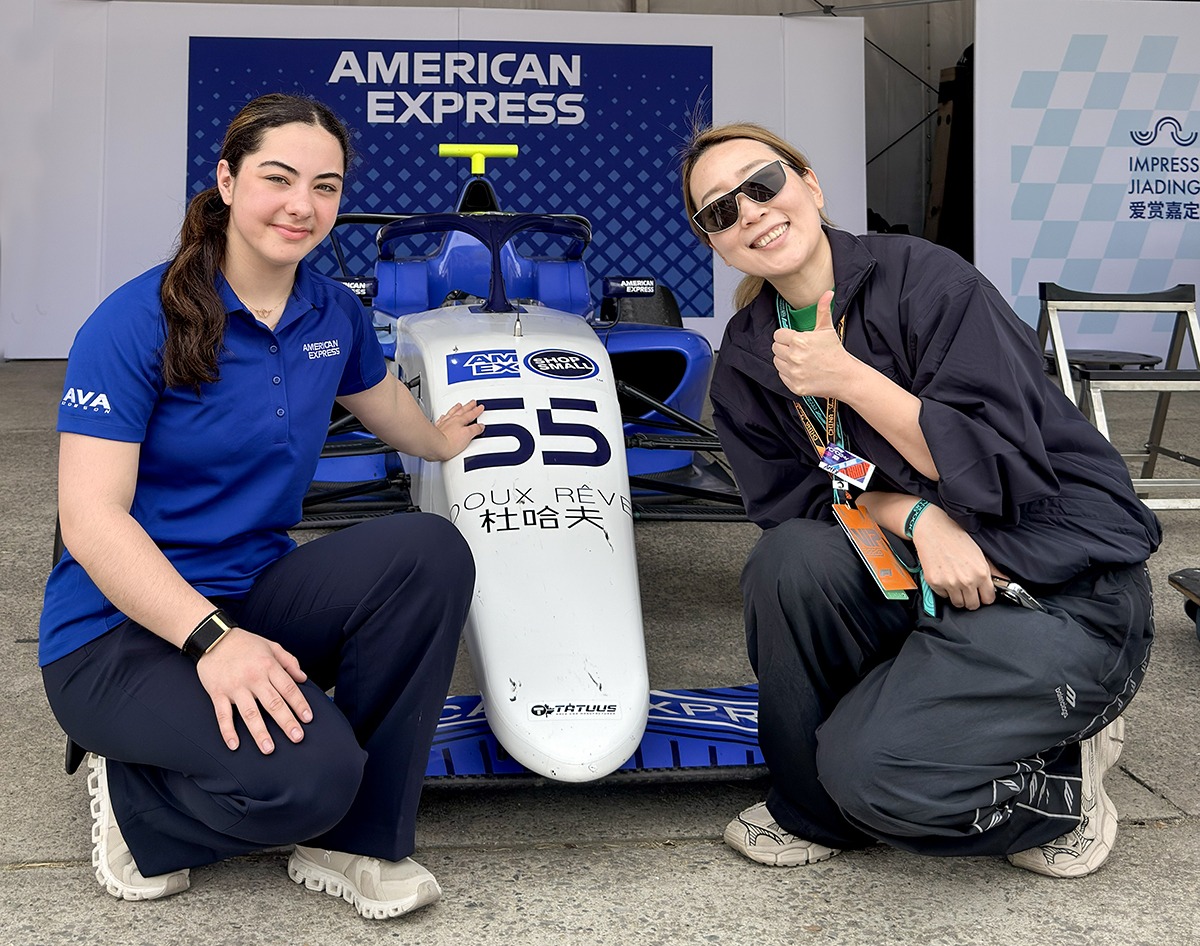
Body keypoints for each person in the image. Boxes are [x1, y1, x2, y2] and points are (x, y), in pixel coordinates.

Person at [39, 93, 486, 919]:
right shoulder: (133, 321)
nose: (301, 205)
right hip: (116, 630)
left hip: (255, 594)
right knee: (310, 781)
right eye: (278, 178)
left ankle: (359, 840)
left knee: (429, 552)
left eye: (325, 186)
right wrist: (213, 640)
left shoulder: (332, 311)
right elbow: (91, 520)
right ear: (227, 181)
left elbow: (383, 401)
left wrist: (438, 440)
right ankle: (140, 801)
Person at [680, 122, 1160, 877]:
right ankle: (816, 808)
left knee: (880, 779)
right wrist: (916, 515)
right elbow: (801, 499)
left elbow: (1002, 465)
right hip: (915, 572)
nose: (750, 211)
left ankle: (1063, 782)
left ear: (810, 185)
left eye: (762, 183)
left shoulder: (929, 281)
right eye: (720, 209)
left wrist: (847, 377)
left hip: (1052, 581)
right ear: (716, 242)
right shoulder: (747, 354)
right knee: (791, 559)